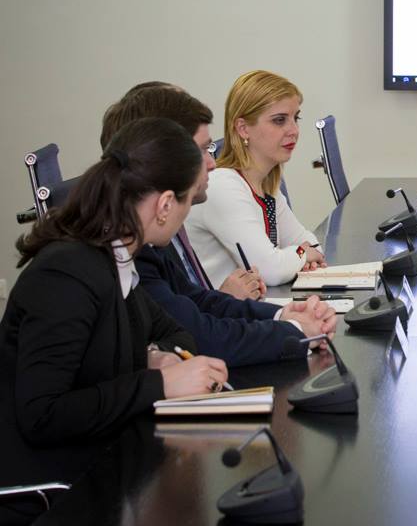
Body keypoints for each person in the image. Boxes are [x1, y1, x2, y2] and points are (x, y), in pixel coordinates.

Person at [0, 118, 229, 514]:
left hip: (100, 461)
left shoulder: (116, 258)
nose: (186, 215)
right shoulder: (68, 273)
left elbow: (177, 335)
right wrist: (159, 382)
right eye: (189, 201)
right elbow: (42, 414)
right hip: (52, 493)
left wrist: (154, 356)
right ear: (164, 205)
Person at [101, 84, 337, 366]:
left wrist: (283, 316)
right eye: (203, 150)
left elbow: (196, 301)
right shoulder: (135, 245)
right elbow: (200, 331)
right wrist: (295, 330)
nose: (212, 163)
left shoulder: (152, 241)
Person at [186, 70, 326, 288]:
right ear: (243, 129)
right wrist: (301, 254)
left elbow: (314, 246)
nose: (294, 130)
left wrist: (298, 255)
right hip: (221, 308)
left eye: (295, 118)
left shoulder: (266, 184)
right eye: (279, 120)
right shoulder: (222, 186)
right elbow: (270, 270)